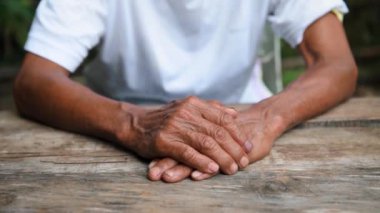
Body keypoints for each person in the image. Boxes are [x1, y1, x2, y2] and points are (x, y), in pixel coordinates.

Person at [13, 0, 357, 183]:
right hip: (114, 125)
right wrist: (134, 124)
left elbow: (337, 63)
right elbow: (35, 80)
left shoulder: (255, 122)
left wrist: (265, 118)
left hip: (242, 122)